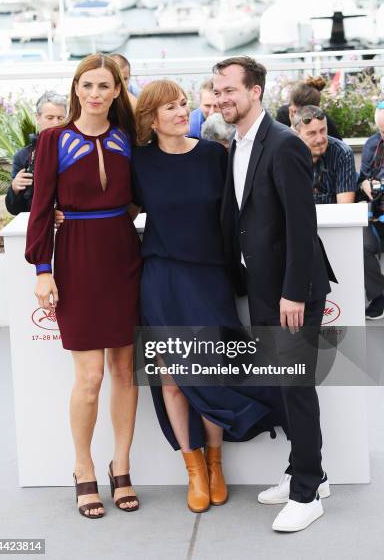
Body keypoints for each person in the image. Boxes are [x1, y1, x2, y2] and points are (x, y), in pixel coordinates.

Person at [131, 79, 284, 515]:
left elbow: (245, 207)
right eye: (171, 108)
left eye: (184, 104)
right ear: (151, 119)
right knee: (173, 379)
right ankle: (194, 469)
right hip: (162, 278)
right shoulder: (137, 163)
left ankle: (216, 464)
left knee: (211, 372)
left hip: (210, 278)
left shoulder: (214, 156)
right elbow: (113, 206)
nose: (183, 112)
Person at [213, 56, 336, 533]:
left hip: (292, 293)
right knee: (284, 387)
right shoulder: (236, 144)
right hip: (264, 289)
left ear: (255, 91)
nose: (222, 98)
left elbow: (303, 226)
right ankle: (310, 472)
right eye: (217, 91)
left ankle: (308, 493)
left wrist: (294, 293)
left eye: (230, 90)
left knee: (296, 388)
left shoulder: (284, 144)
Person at [25, 53, 142, 518]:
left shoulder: (127, 137)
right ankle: (82, 466)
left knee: (124, 371)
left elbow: (140, 193)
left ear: (117, 92)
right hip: (75, 257)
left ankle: (123, 464)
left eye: (104, 86)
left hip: (122, 255)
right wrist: (41, 268)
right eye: (87, 85)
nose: (95, 94)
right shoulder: (53, 138)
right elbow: (39, 205)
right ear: (76, 89)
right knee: (89, 377)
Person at [5, 91, 67, 215]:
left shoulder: (75, 150)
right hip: (37, 224)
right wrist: (14, 189)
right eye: (50, 118)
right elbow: (14, 209)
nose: (56, 123)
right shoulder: (22, 157)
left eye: (60, 118)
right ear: (37, 118)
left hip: (71, 223)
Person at [291, 105, 357, 204]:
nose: (320, 139)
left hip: (333, 218)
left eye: (323, 130)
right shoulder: (286, 154)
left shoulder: (342, 153)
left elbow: (344, 209)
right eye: (312, 133)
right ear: (297, 135)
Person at [358, 102, 384, 320]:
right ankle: (379, 296)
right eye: (381, 131)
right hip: (375, 215)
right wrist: (365, 183)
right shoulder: (371, 144)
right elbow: (363, 176)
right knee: (361, 245)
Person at [276, 76, 342, 139]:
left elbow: (340, 146)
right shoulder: (284, 114)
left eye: (306, 116)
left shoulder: (323, 120)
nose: (299, 117)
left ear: (316, 109)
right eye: (295, 112)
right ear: (291, 109)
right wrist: (293, 128)